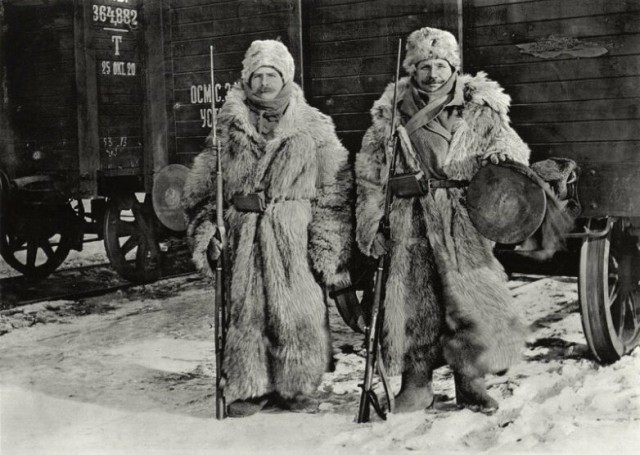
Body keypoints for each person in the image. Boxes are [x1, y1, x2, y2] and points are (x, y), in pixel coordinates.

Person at [355, 27, 530, 414]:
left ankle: (471, 384)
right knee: (413, 303)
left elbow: (510, 143)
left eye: (440, 65)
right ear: (412, 70)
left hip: (460, 217)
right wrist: (372, 220)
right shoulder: (390, 114)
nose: (433, 75)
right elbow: (369, 174)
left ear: (453, 66)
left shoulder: (478, 107)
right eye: (424, 67)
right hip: (408, 218)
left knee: (466, 303)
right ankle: (415, 384)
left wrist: (501, 155)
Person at [182, 40, 353, 417]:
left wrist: (328, 243)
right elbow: (202, 193)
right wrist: (209, 230)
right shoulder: (228, 129)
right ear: (246, 80)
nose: (263, 83)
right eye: (256, 76)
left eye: (271, 75)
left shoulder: (314, 127)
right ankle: (248, 387)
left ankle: (296, 388)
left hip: (293, 232)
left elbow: (335, 190)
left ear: (286, 78)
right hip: (243, 236)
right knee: (246, 312)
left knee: (298, 312)